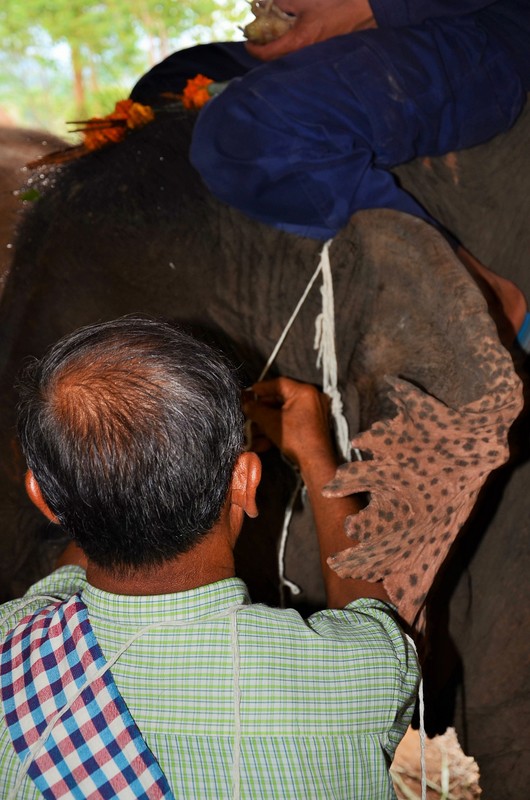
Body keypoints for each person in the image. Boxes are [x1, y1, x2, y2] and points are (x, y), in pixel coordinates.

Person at [0, 316, 419, 799]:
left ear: (44, 500)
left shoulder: (13, 646)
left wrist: (99, 484)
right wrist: (314, 455)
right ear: (247, 481)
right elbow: (377, 615)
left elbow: (62, 581)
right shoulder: (361, 674)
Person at [131, 0, 530, 345]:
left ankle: (478, 296)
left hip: (477, 21)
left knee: (251, 129)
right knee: (166, 87)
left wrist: (366, 8)